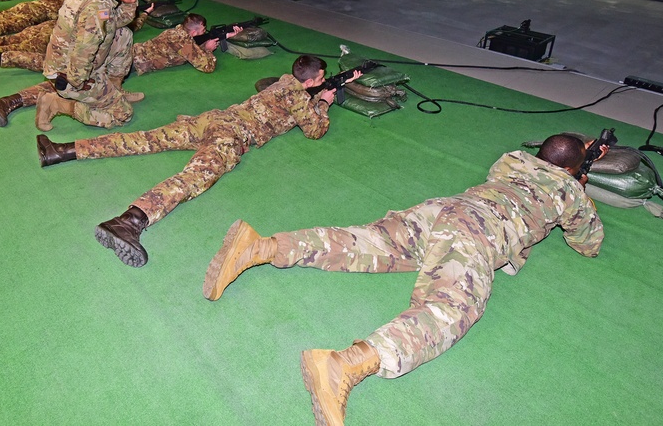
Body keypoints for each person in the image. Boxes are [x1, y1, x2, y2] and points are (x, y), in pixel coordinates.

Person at [201, 133, 605, 426]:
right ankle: (345, 364)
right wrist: (577, 184)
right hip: (477, 231)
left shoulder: (511, 161)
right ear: (571, 169)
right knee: (452, 310)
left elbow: (541, 164)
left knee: (367, 243)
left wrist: (574, 162)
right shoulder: (568, 191)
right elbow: (588, 242)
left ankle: (262, 247)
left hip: (444, 210)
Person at [34, 55, 361, 268]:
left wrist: (319, 92)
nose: (323, 81)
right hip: (232, 136)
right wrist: (325, 104)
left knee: (146, 139)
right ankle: (129, 221)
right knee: (193, 178)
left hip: (213, 119)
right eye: (321, 78)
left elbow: (291, 99)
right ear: (311, 81)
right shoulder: (300, 96)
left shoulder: (284, 82)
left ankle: (62, 150)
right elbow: (314, 131)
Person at [0, 0, 142, 130]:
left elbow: (112, 23)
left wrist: (128, 4)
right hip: (70, 74)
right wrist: (79, 84)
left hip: (71, 63)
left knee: (123, 34)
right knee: (123, 114)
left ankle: (113, 92)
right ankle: (57, 104)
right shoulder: (97, 4)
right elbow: (84, 49)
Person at [0, 11, 236, 80]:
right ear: (196, 31)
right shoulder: (185, 41)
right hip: (122, 63)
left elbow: (183, 48)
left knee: (59, 59)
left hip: (118, 53)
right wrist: (209, 50)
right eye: (202, 32)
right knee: (59, 68)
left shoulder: (177, 32)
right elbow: (206, 67)